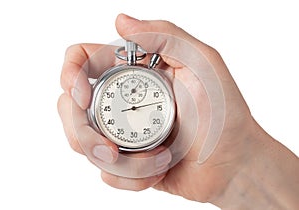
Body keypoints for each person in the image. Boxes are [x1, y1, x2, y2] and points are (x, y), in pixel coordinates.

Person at [57, 14, 299, 209]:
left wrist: (236, 165)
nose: (133, 105)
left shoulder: (165, 83)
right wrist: (234, 171)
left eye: (136, 102)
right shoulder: (118, 86)